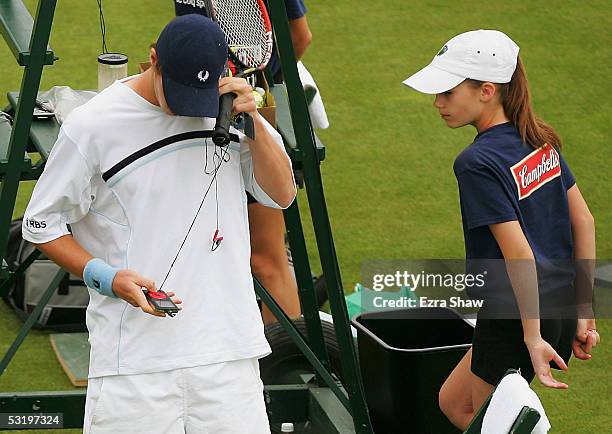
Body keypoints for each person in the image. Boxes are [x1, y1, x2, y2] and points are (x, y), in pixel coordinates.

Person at [22, 14, 295, 433]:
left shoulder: (227, 110)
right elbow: (41, 223)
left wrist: (255, 121)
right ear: (153, 61)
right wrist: (106, 277)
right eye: (181, 91)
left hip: (228, 358)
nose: (191, 107)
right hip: (133, 366)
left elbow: (282, 194)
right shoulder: (93, 125)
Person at [403, 29, 600, 430]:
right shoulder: (539, 139)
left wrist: (531, 338)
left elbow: (518, 253)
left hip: (514, 315)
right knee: (454, 402)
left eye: (448, 92)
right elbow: (585, 220)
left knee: (490, 424)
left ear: (487, 90)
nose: (437, 103)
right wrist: (584, 312)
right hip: (554, 306)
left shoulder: (475, 163)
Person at [174, 0, 312, 324]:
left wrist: (256, 85)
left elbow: (299, 36)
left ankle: (290, 365)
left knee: (266, 260)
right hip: (195, 114)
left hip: (244, 118)